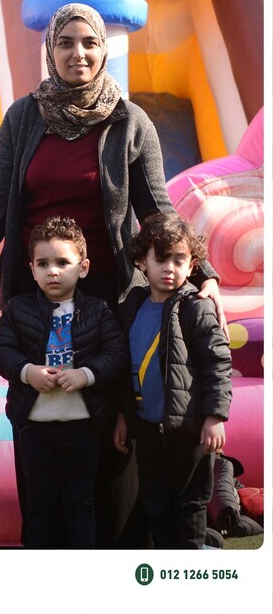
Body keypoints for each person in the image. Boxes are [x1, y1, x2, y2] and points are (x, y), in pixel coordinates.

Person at [0, 3, 223, 548]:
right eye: (66, 42)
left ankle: (115, 553)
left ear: (103, 49)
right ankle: (46, 549)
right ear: (50, 50)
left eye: (90, 42)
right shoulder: (23, 118)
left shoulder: (130, 121)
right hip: (35, 296)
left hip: (109, 296)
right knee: (40, 415)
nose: (79, 53)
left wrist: (203, 270)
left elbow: (156, 208)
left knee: (108, 422)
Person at [0, 216, 127, 548]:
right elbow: (0, 350)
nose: (53, 271)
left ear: (83, 267)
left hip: (83, 426)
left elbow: (116, 352)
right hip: (34, 427)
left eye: (62, 262)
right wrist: (28, 372)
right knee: (40, 502)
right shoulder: (17, 309)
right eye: (43, 264)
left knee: (81, 502)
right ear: (32, 269)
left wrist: (86, 375)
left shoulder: (98, 311)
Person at [113, 213, 231, 549]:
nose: (170, 268)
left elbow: (217, 363)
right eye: (161, 259)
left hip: (189, 431)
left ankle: (188, 572)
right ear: (141, 262)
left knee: (190, 507)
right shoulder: (131, 307)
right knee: (156, 505)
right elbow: (122, 369)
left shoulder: (195, 307)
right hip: (147, 429)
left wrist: (214, 417)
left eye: (179, 260)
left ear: (192, 265)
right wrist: (123, 416)